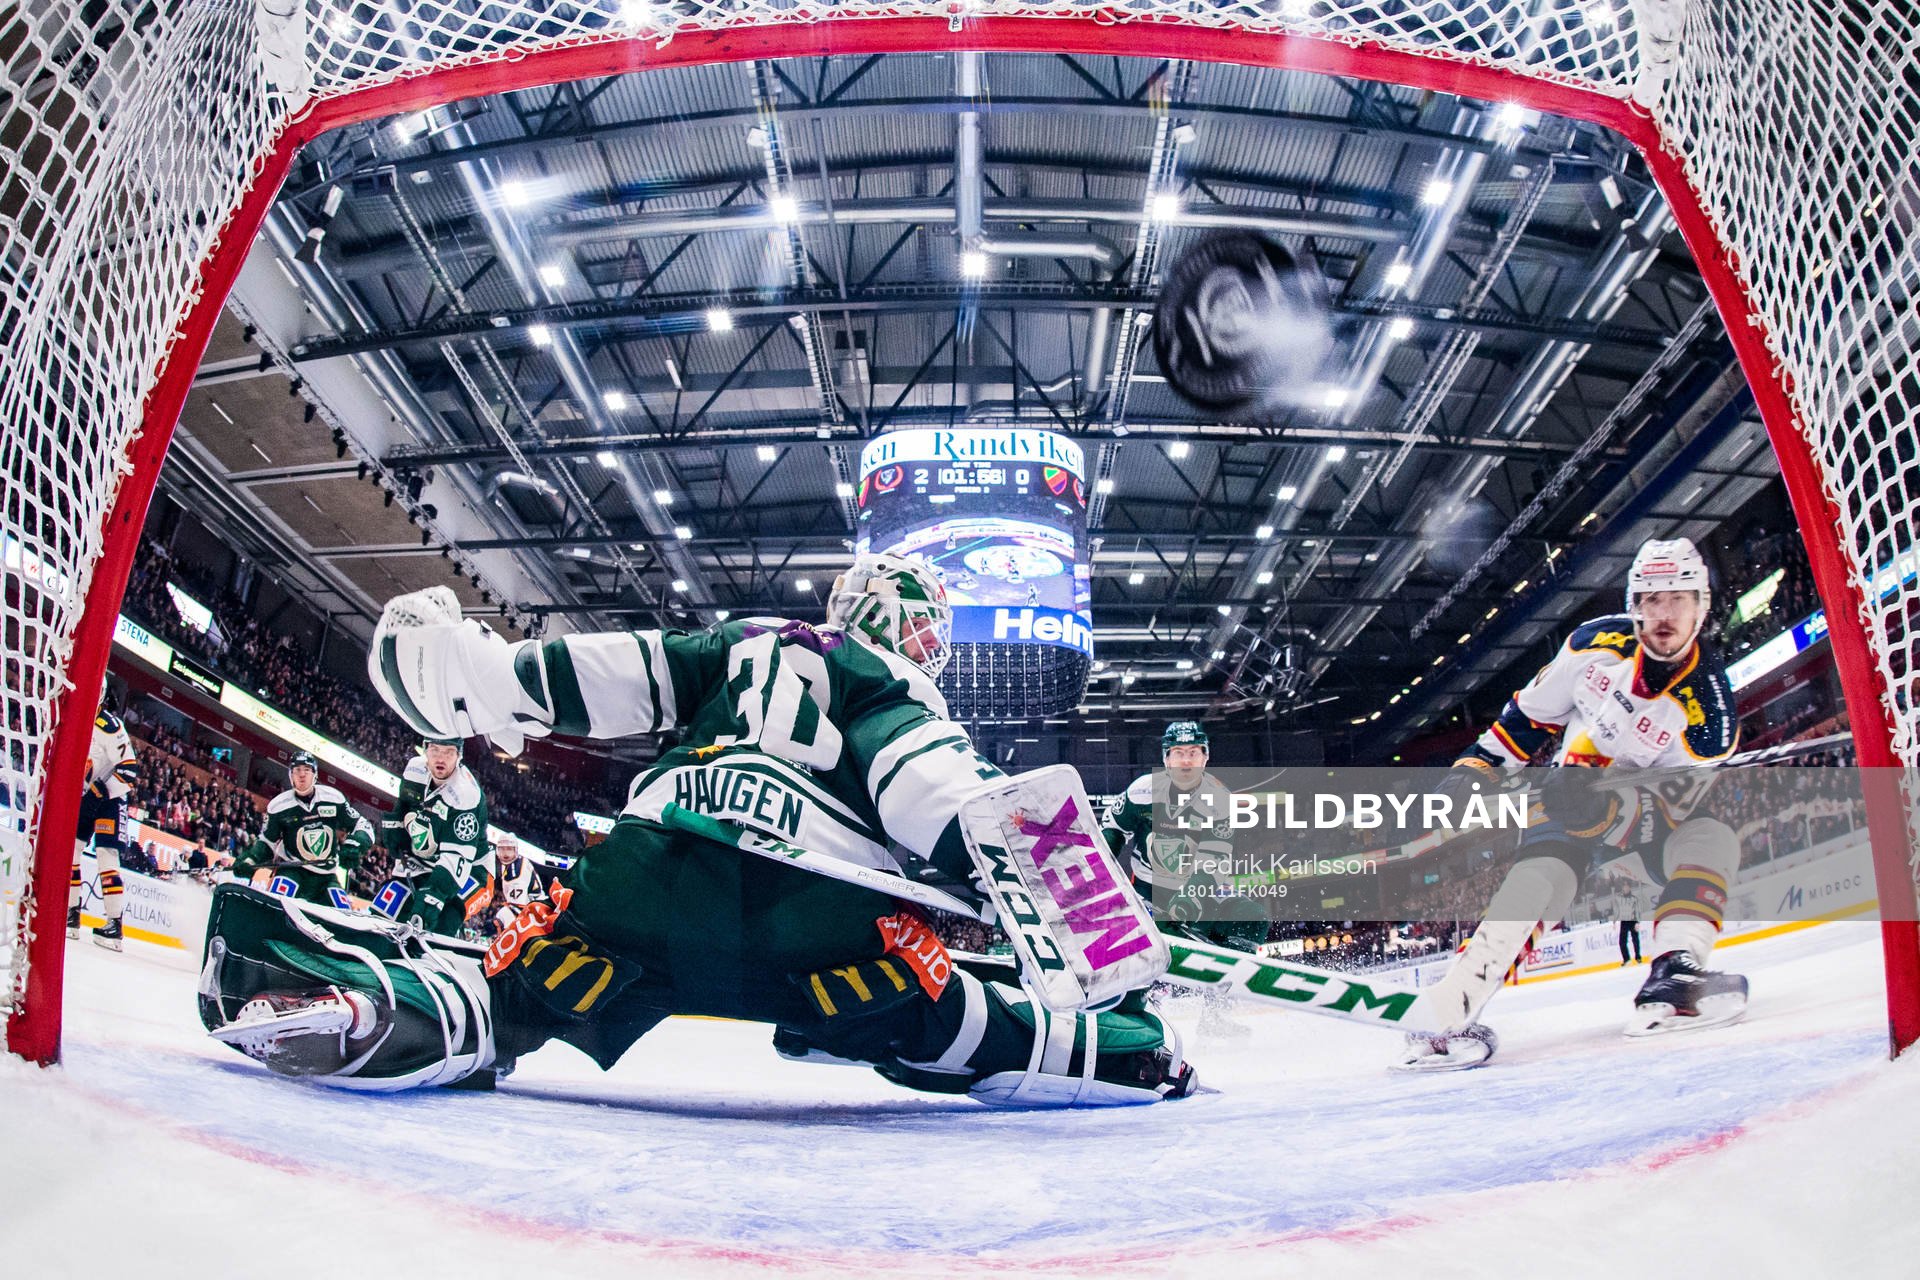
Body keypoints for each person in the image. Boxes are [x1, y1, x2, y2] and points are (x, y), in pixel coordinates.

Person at [201, 555, 1193, 1107]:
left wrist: (479, 677)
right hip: (825, 937)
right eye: (927, 624)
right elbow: (939, 795)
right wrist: (1050, 899)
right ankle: (1134, 1053)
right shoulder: (891, 686)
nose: (930, 644)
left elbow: (612, 672)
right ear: (902, 619)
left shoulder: (750, 642)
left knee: (517, 982)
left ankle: (353, 995)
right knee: (953, 1018)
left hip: (649, 880)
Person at [1400, 537, 1742, 1070]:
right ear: (1634, 605)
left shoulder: (1711, 715)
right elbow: (1529, 718)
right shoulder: (1593, 645)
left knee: (1713, 839)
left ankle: (1676, 969)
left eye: (1678, 598)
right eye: (1651, 599)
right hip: (1568, 793)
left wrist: (1604, 811)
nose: (1664, 614)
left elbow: (1670, 809)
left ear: (1702, 605)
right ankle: (1453, 1004)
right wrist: (1475, 769)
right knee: (1537, 883)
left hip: (1651, 818)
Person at [1101, 721, 1259, 1037]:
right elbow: (1114, 829)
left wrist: (1189, 900)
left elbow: (1213, 862)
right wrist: (1100, 872)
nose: (1186, 760)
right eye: (1178, 753)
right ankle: (1126, 1013)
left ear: (1205, 757)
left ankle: (1215, 1016)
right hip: (1146, 891)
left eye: (1193, 752)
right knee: (1149, 951)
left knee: (1251, 918)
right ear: (1166, 759)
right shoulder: (1142, 790)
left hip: (1196, 890)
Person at [378, 739, 495, 936]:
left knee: (441, 922)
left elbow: (457, 858)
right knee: (383, 915)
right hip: (424, 859)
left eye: (448, 752)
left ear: (459, 755)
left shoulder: (466, 794)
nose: (441, 758)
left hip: (471, 869)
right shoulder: (415, 769)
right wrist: (396, 832)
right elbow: (404, 806)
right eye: (435, 750)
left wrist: (434, 897)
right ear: (425, 750)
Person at [230, 752, 374, 907]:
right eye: (297, 770)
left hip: (326, 877)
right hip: (292, 870)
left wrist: (356, 844)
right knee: (275, 905)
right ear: (290, 775)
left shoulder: (334, 798)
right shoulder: (278, 806)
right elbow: (267, 842)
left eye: (307, 770)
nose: (302, 775)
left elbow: (362, 824)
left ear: (315, 774)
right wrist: (251, 859)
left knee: (343, 915)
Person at [68, 705, 138, 951]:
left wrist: (100, 792)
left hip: (110, 798)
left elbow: (130, 769)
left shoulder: (110, 725)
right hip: (84, 797)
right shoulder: (73, 717)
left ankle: (114, 923)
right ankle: (71, 912)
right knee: (71, 852)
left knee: (106, 857)